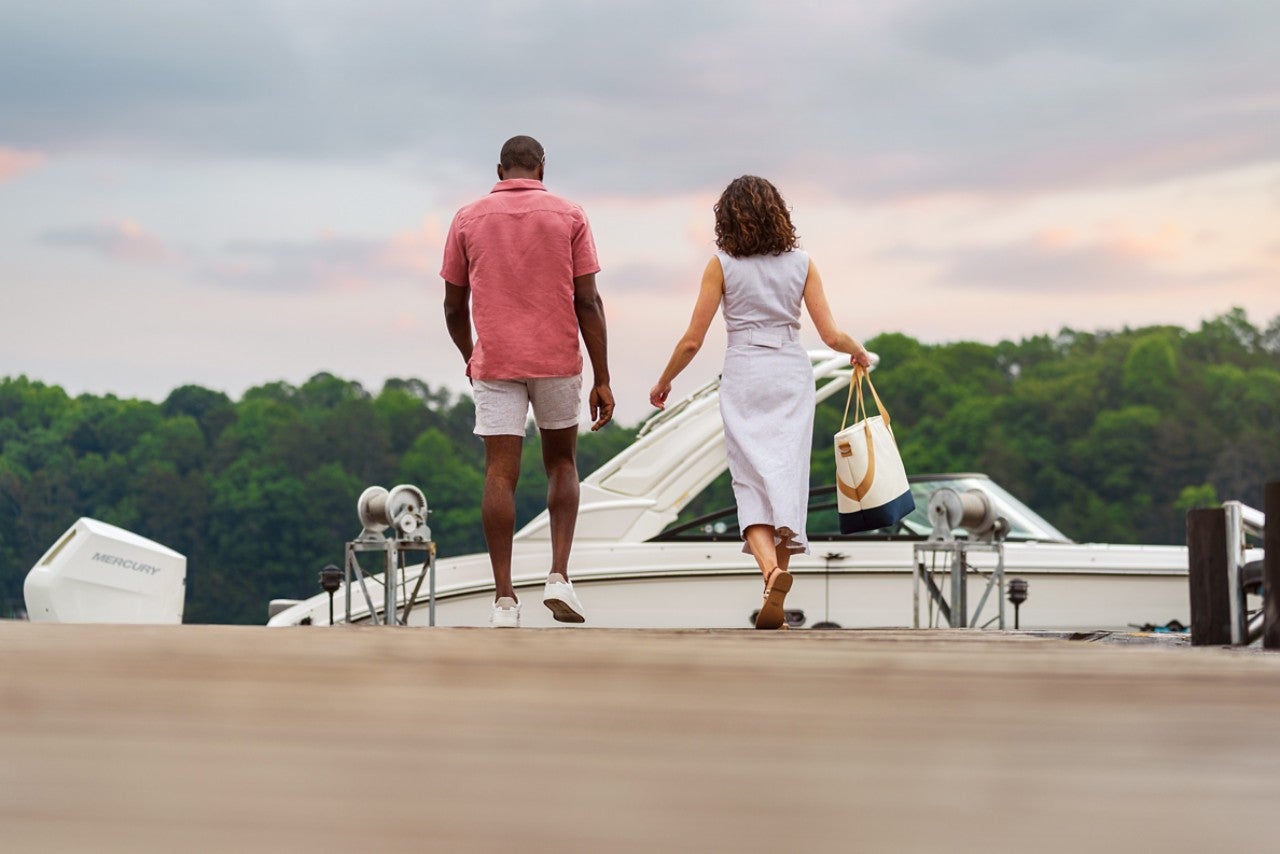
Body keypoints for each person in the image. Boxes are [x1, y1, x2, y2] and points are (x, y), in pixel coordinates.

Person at [649, 175, 872, 630]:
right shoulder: (803, 263)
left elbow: (693, 340)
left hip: (746, 372)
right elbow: (830, 334)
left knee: (750, 480)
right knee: (786, 478)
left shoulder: (722, 265)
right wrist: (857, 351)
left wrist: (665, 380)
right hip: (791, 372)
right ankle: (779, 579)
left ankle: (770, 574)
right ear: (779, 213)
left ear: (726, 219)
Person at [441, 135, 613, 628]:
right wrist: (603, 377)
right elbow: (588, 301)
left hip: (495, 361)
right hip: (557, 356)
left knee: (499, 475)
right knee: (561, 463)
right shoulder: (570, 215)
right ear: (541, 167)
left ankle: (503, 601)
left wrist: (470, 354)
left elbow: (453, 306)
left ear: (500, 170)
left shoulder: (466, 219)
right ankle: (558, 577)